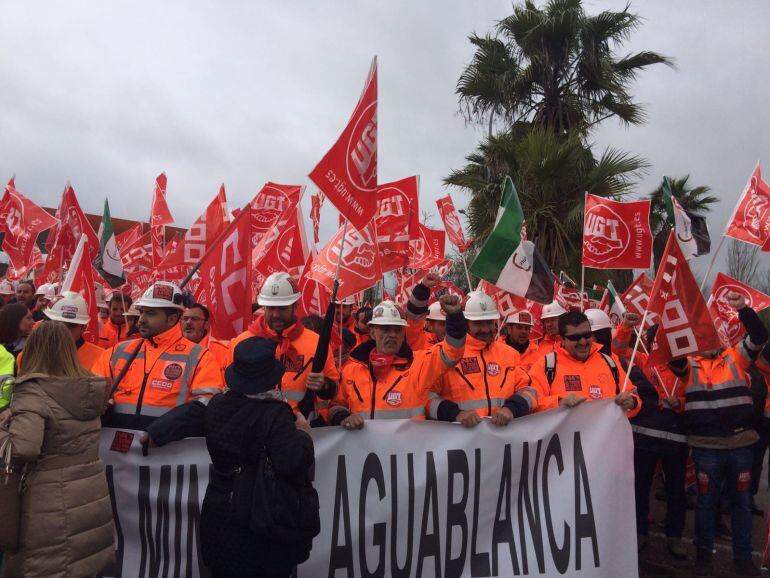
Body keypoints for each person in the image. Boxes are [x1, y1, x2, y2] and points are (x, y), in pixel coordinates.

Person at [143, 337, 316, 578]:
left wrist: (155, 432)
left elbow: (191, 414)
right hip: (261, 521)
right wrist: (304, 436)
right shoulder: (275, 414)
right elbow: (292, 463)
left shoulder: (216, 405)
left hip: (219, 514)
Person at [0, 321, 114, 577]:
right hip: (89, 492)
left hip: (48, 499)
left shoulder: (34, 389)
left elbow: (24, 447)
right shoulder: (88, 387)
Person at [668, 293, 768, 576]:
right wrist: (674, 323)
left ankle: (743, 558)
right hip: (706, 447)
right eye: (703, 335)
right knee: (706, 502)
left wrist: (743, 310)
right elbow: (671, 355)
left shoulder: (736, 356)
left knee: (741, 504)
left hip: (740, 444)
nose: (708, 339)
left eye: (712, 335)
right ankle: (703, 557)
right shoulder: (690, 365)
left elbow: (760, 336)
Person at [95, 281, 224, 430]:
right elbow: (91, 392)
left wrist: (163, 430)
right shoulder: (118, 351)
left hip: (167, 449)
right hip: (114, 446)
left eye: (150, 313)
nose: (141, 319)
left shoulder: (200, 357)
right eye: (142, 311)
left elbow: (206, 403)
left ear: (172, 319)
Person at [329, 295, 465, 428]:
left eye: (398, 329)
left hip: (409, 449)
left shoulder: (419, 364)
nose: (393, 334)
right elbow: (335, 406)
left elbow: (452, 351)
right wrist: (344, 417)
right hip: (364, 449)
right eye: (386, 329)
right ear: (372, 332)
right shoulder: (351, 369)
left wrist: (455, 318)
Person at [228, 273, 339, 419]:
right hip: (253, 430)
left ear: (295, 306)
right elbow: (229, 390)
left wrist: (324, 385)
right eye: (271, 308)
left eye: (282, 308)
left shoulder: (316, 343)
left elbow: (334, 388)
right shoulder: (240, 343)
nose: (275, 314)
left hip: (300, 430)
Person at [428, 290, 536, 427]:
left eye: (489, 322)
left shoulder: (510, 354)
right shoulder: (443, 353)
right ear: (466, 324)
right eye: (478, 323)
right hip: (460, 442)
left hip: (504, 441)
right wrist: (456, 414)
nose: (486, 329)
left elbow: (529, 391)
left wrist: (511, 409)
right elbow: (426, 397)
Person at [529, 310, 641, 415]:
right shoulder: (546, 365)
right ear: (562, 339)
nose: (583, 342)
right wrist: (559, 403)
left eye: (587, 335)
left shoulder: (610, 362)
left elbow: (632, 394)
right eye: (575, 337)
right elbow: (530, 402)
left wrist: (633, 402)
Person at [42, 291, 105, 371]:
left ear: (84, 328)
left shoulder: (102, 358)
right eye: (57, 324)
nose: (63, 331)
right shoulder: (32, 355)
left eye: (70, 326)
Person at [181, 303, 229, 371]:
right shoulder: (169, 348)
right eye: (185, 318)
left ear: (206, 324)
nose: (188, 322)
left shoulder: (222, 352)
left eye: (194, 319)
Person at [404, 273, 446, 351]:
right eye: (443, 324)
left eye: (450, 323)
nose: (447, 328)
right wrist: (422, 289)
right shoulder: (418, 340)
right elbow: (414, 318)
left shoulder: (459, 345)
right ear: (429, 325)